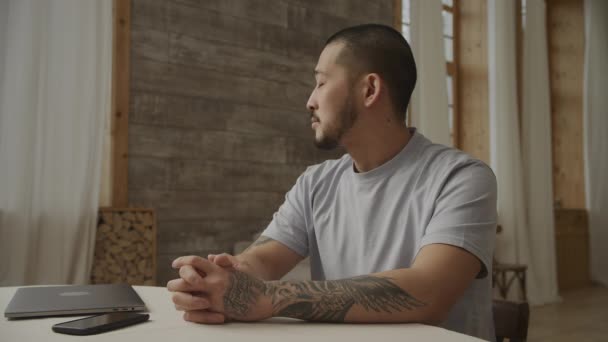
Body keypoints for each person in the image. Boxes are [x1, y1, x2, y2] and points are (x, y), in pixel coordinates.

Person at [167, 23, 497, 341]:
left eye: (321, 83)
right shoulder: (316, 183)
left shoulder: (461, 177)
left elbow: (429, 292)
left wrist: (268, 297)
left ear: (369, 90)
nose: (310, 100)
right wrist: (225, 278)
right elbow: (265, 259)